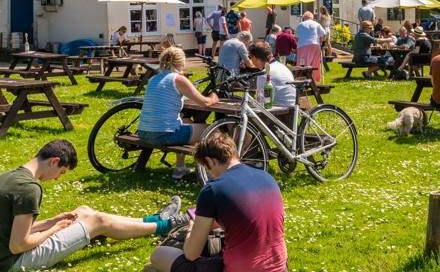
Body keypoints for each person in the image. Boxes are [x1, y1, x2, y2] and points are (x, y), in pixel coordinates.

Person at [1, 140, 188, 272]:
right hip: (14, 260)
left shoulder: (9, 177)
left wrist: (51, 221)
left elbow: (9, 226)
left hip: (7, 249)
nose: (57, 178)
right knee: (98, 221)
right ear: (54, 161)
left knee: (83, 211)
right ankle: (166, 225)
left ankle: (154, 220)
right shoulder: (30, 189)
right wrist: (54, 230)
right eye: (61, 172)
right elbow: (18, 245)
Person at [149, 133, 287, 272]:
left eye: (207, 168)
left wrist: (191, 227)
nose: (210, 174)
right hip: (280, 267)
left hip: (238, 268)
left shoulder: (212, 189)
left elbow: (191, 254)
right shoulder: (267, 178)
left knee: (160, 254)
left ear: (210, 161)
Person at [138, 47, 220, 179]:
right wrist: (214, 98)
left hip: (143, 132)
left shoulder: (154, 79)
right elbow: (204, 103)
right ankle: (210, 172)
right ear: (182, 63)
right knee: (212, 131)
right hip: (162, 134)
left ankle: (180, 168)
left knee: (186, 122)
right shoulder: (178, 79)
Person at [248, 41, 310, 116]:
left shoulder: (264, 74)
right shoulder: (281, 66)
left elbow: (262, 104)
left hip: (280, 114)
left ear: (254, 58)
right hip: (291, 111)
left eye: (250, 57)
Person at [295, 11, 327, 81]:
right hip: (316, 44)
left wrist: (299, 42)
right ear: (312, 17)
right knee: (315, 62)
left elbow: (296, 37)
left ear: (304, 17)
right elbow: (324, 34)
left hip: (304, 44)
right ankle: (314, 78)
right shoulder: (317, 24)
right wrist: (322, 42)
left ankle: (302, 78)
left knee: (303, 62)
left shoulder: (301, 24)